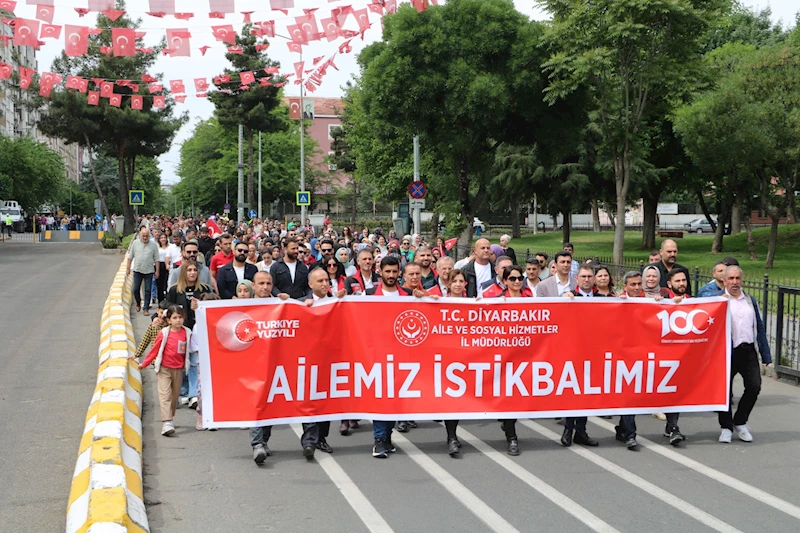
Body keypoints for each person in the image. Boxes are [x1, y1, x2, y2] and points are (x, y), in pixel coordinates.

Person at [719, 265, 772, 443]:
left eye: (737, 279)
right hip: (727, 352)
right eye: (731, 279)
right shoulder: (718, 300)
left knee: (754, 386)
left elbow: (759, 326)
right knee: (724, 391)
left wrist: (766, 355)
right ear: (724, 280)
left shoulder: (749, 300)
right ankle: (725, 427)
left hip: (748, 350)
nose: (734, 282)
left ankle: (740, 421)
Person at [366, 255, 407, 458]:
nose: (391, 275)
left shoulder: (408, 295)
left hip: (402, 357)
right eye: (387, 271)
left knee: (394, 399)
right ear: (379, 271)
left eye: (394, 271)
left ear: (400, 272)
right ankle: (379, 440)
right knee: (380, 398)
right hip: (376, 355)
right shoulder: (368, 295)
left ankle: (387, 437)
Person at [298, 268, 341, 459]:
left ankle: (322, 438)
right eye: (320, 280)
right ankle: (309, 442)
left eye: (326, 280)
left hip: (330, 360)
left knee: (326, 403)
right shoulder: (301, 304)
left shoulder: (337, 302)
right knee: (310, 403)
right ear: (311, 284)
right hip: (308, 362)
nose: (325, 283)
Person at [559, 264, 601, 447]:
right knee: (572, 392)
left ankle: (581, 431)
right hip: (573, 352)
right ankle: (568, 429)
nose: (586, 279)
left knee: (586, 393)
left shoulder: (603, 299)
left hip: (594, 353)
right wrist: (563, 298)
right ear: (577, 279)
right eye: (583, 276)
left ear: (594, 279)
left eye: (589, 276)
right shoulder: (570, 297)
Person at [133, 305, 191, 437]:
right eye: (174, 318)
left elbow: (192, 349)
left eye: (180, 317)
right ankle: (167, 422)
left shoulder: (187, 333)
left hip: (178, 369)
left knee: (174, 396)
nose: (178, 320)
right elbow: (154, 350)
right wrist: (144, 363)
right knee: (165, 394)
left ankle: (170, 416)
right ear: (169, 320)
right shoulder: (164, 333)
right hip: (164, 368)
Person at [249, 271, 278, 464]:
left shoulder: (280, 306)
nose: (265, 287)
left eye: (268, 283)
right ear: (253, 286)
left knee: (271, 406)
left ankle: (264, 440)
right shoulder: (243, 307)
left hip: (275, 365)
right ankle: (257, 444)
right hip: (252, 365)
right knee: (256, 405)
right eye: (261, 283)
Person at [127, 226, 160, 315]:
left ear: (149, 236)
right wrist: (128, 269)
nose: (145, 238)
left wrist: (157, 271)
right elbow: (130, 257)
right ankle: (138, 303)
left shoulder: (153, 245)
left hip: (149, 270)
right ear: (140, 235)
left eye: (147, 236)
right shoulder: (135, 243)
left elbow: (157, 259)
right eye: (143, 236)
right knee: (135, 289)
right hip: (137, 269)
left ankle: (146, 308)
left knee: (148, 290)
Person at [156, 233, 170, 302]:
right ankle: (160, 301)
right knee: (159, 284)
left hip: (168, 265)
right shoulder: (157, 247)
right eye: (161, 238)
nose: (163, 239)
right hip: (159, 265)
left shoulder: (170, 247)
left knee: (167, 283)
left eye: (164, 237)